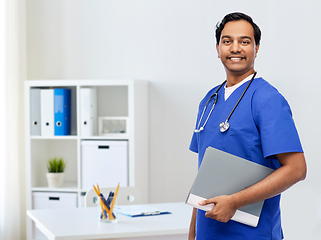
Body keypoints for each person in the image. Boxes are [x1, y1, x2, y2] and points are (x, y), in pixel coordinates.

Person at [188, 12, 307, 240]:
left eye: (244, 41)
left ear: (256, 48)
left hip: (252, 234)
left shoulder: (267, 99)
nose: (235, 48)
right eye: (227, 41)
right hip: (208, 232)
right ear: (217, 48)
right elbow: (203, 175)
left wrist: (234, 201)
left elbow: (296, 169)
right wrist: (193, 234)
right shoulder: (209, 101)